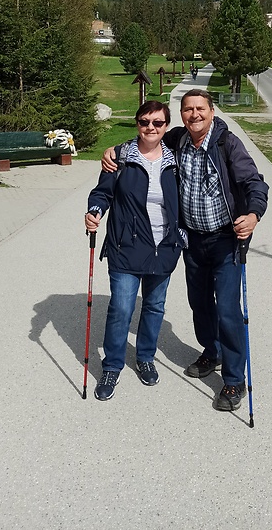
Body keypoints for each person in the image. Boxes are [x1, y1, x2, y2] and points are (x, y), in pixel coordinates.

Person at [102, 89, 268, 412]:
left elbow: (254, 183)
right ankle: (212, 350)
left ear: (212, 111)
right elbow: (147, 138)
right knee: (200, 304)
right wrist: (113, 151)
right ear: (181, 115)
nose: (194, 115)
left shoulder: (226, 144)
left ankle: (234, 381)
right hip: (192, 241)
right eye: (188, 109)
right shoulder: (177, 139)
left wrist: (253, 214)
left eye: (200, 109)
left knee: (229, 311)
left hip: (225, 239)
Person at [85, 100, 185, 402]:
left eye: (157, 123)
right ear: (137, 124)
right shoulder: (120, 158)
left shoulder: (176, 160)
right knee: (122, 308)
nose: (150, 128)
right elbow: (102, 192)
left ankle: (144, 357)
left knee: (155, 307)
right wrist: (94, 211)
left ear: (166, 127)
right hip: (125, 247)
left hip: (164, 247)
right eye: (144, 122)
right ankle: (112, 365)